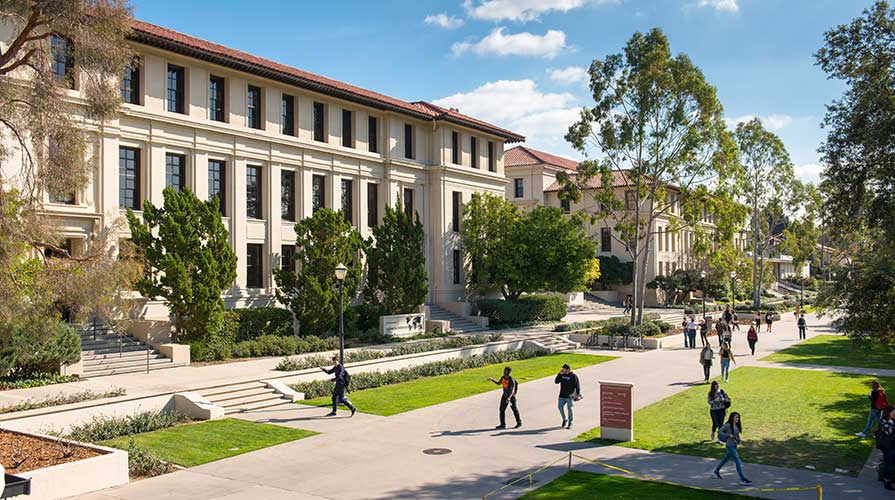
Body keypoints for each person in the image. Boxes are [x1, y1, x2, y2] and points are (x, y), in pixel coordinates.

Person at [712, 412, 752, 484]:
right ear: (732, 418)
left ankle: (716, 471)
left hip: (734, 445)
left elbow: (737, 435)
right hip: (729, 445)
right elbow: (719, 431)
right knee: (737, 459)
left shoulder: (736, 426)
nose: (737, 419)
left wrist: (739, 440)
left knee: (725, 459)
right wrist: (728, 435)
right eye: (736, 417)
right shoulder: (728, 425)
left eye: (738, 417)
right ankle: (743, 479)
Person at [555, 364, 581, 429]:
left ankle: (570, 423)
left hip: (569, 396)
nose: (562, 369)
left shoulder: (573, 376)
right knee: (560, 407)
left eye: (564, 369)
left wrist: (578, 394)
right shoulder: (562, 375)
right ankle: (564, 419)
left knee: (570, 409)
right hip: (562, 395)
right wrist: (559, 374)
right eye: (562, 368)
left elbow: (577, 386)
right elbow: (556, 381)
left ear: (568, 369)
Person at [877, 406, 895, 491]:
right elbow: (889, 432)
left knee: (892, 463)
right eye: (893, 412)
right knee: (888, 464)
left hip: (892, 445)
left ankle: (890, 478)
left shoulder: (892, 420)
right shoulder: (883, 421)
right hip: (887, 447)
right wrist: (892, 422)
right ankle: (886, 481)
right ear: (889, 413)